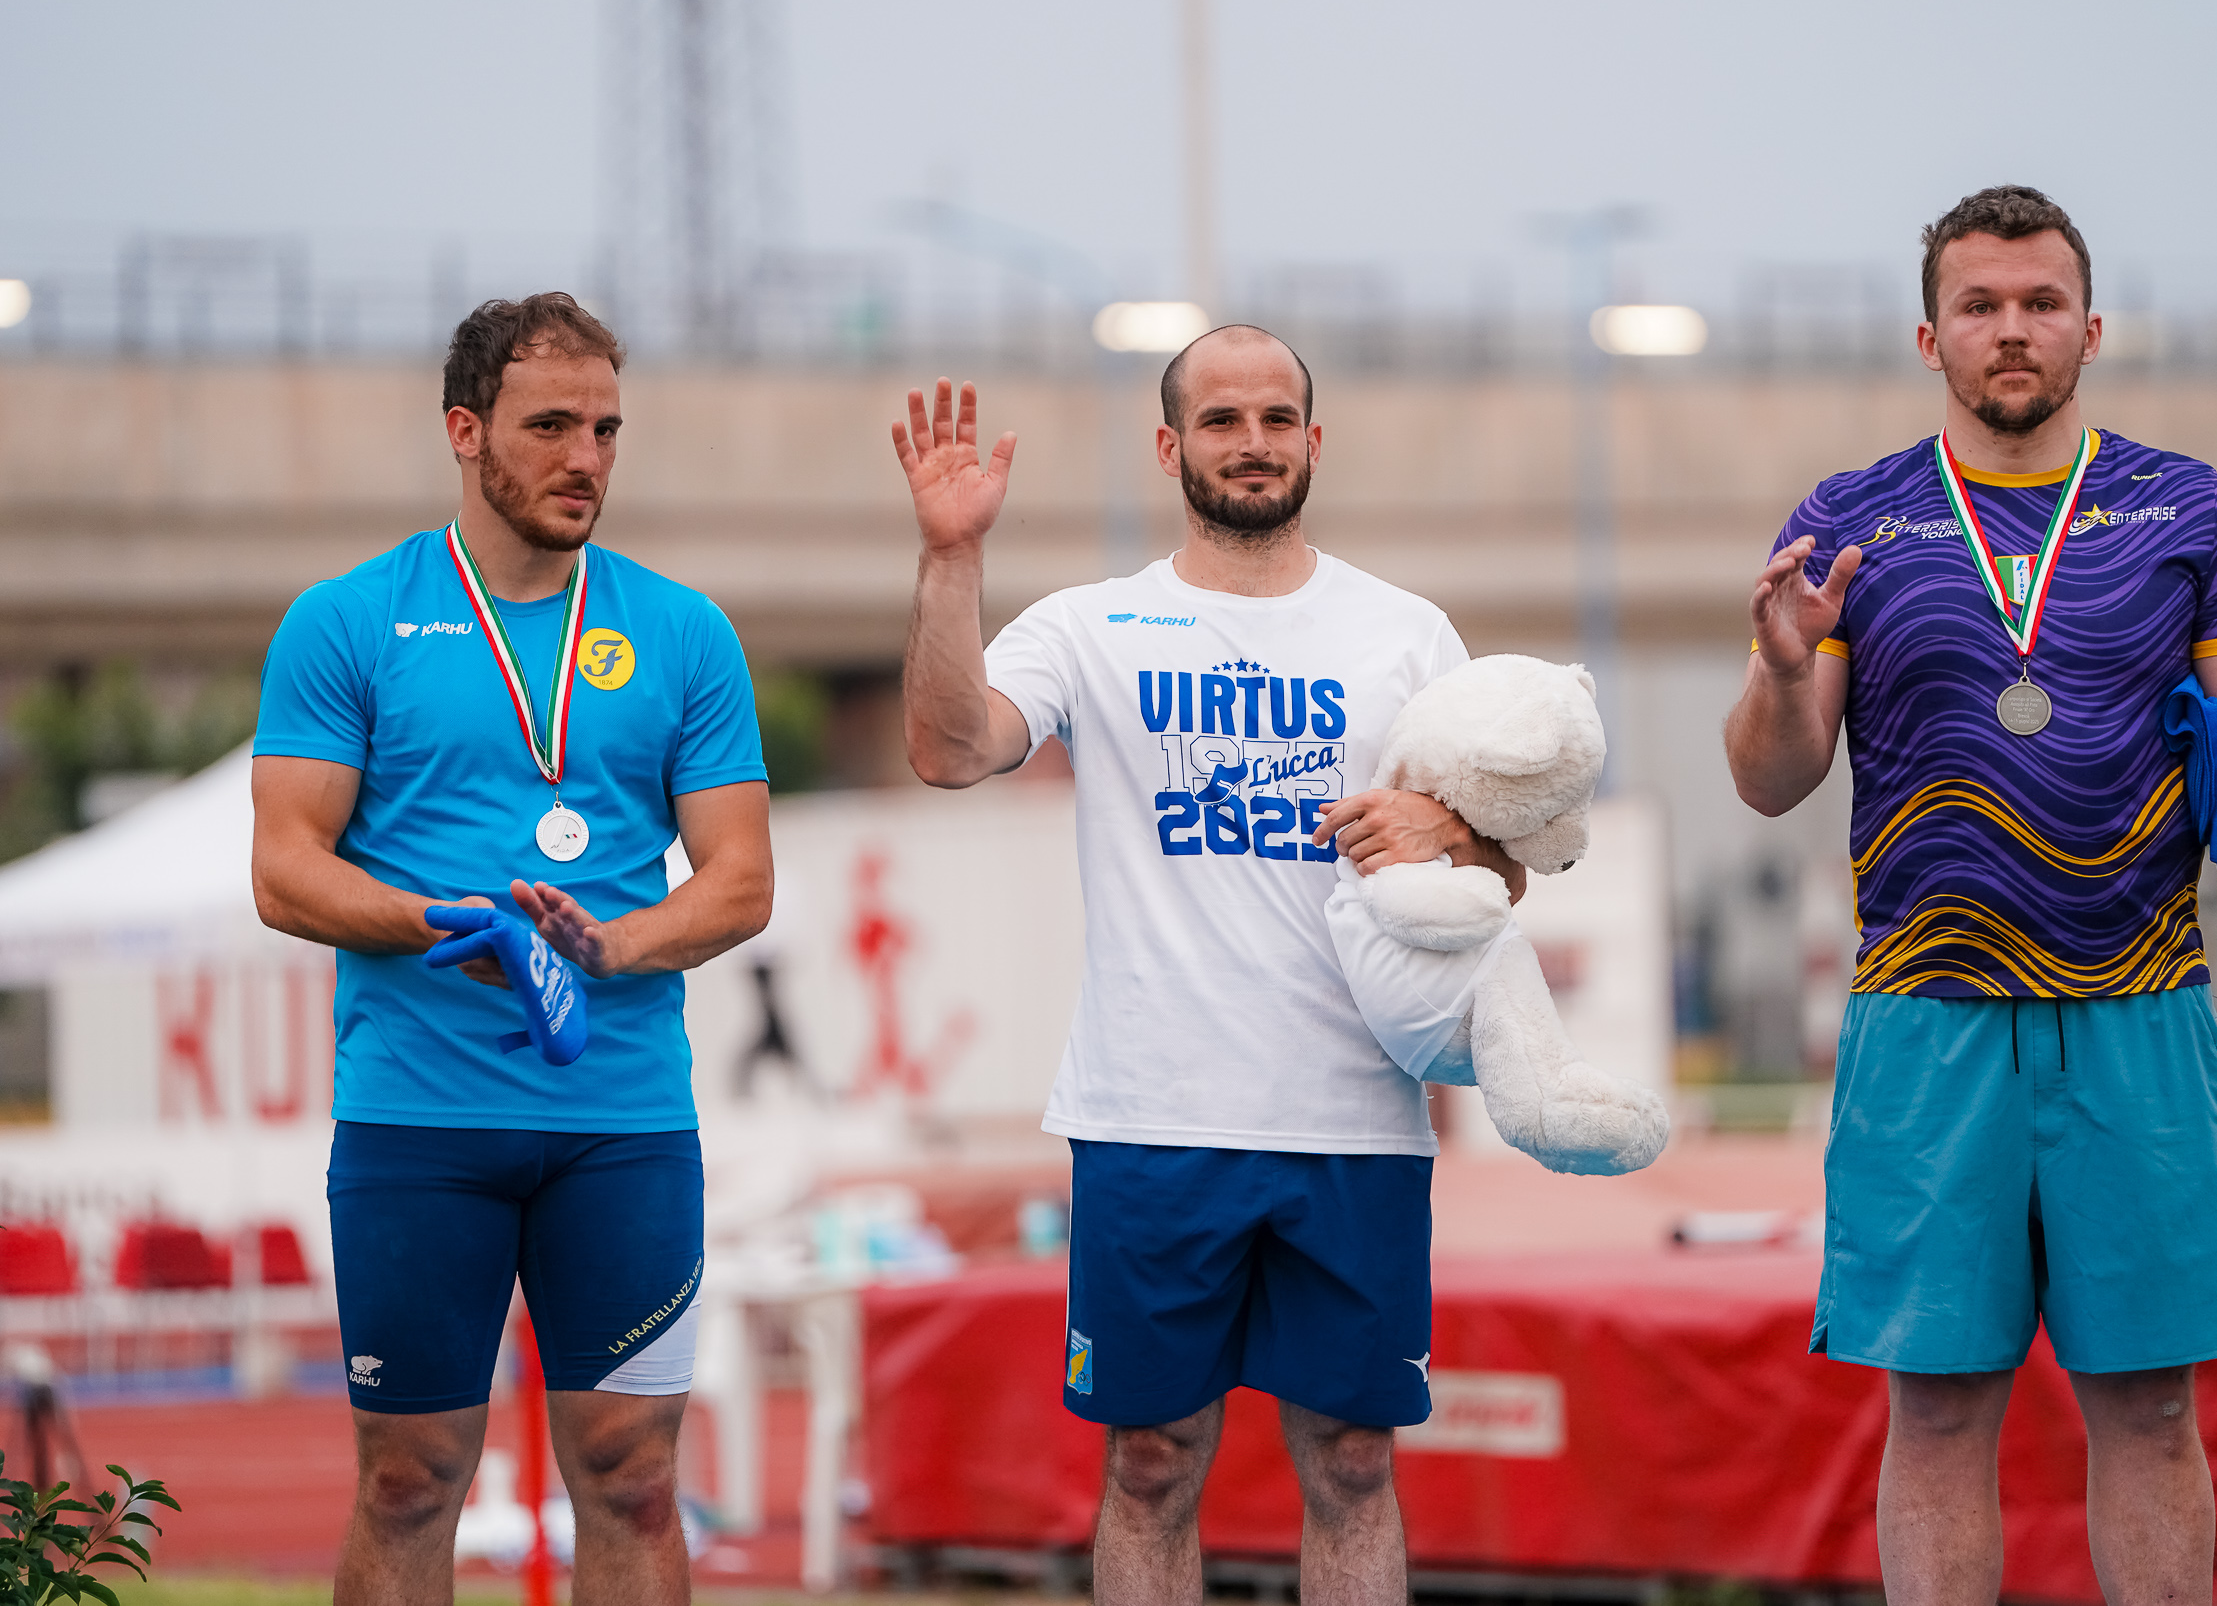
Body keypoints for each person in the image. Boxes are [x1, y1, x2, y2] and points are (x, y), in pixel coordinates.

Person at [1724, 186, 2217, 1603]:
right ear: (1928, 335)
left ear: (2090, 328)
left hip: (2140, 1007)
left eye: (2041, 303)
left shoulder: (2191, 509)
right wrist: (1779, 671)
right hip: (1927, 1016)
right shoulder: (1850, 520)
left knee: (2152, 1404)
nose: (2012, 329)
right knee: (1937, 1410)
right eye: (1981, 305)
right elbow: (1769, 780)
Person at [894, 327, 1522, 1604]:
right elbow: (950, 749)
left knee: (1353, 1462)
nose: (1252, 443)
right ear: (1170, 445)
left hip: (1353, 1122)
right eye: (1222, 420)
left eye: (1276, 418)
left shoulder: (1406, 633)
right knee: (1150, 1462)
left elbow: (1507, 866)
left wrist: (1450, 831)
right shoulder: (1090, 625)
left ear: (1313, 440)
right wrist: (952, 558)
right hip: (1151, 1119)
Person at [250, 293, 772, 1606]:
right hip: (418, 1121)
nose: (585, 456)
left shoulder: (685, 630)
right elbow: (284, 867)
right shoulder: (349, 619)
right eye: (550, 426)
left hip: (623, 1122)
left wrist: (607, 944)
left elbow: (741, 881)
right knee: (409, 1479)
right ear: (465, 428)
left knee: (635, 1475)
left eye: (606, 428)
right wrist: (446, 924)